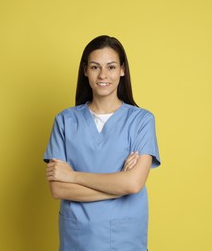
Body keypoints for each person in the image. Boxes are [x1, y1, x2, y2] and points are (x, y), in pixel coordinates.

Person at [44, 35, 160, 251]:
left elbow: (133, 184)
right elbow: (58, 189)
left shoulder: (142, 121)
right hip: (78, 238)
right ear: (85, 70)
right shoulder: (65, 121)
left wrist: (73, 176)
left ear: (122, 70)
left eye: (111, 67)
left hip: (125, 239)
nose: (103, 75)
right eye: (95, 67)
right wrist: (118, 188)